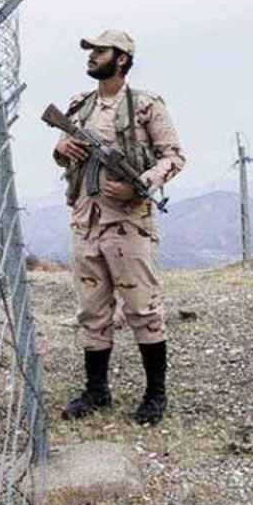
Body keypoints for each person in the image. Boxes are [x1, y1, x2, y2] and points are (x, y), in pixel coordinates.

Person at [51, 29, 186, 424]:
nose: (91, 56)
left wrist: (141, 184)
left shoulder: (146, 105)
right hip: (85, 220)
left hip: (128, 222)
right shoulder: (80, 105)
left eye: (99, 51)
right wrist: (61, 149)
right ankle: (97, 392)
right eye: (90, 51)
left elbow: (174, 156)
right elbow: (63, 155)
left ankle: (155, 394)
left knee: (142, 309)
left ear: (122, 58)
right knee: (91, 311)